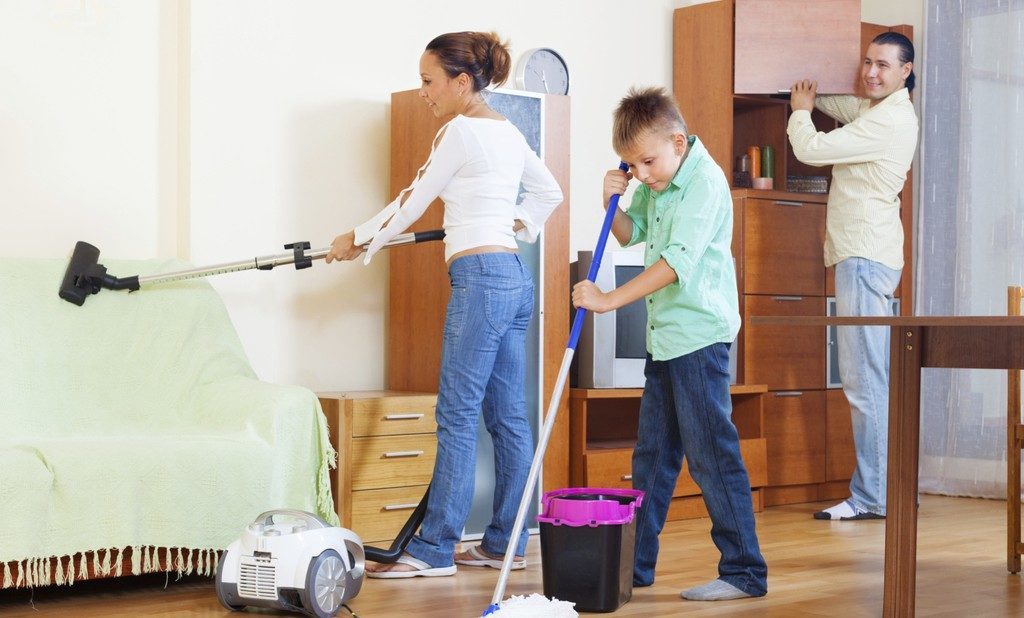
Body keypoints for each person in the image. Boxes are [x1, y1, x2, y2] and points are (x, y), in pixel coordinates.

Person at [324, 31, 563, 577]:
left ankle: (434, 550)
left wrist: (355, 238)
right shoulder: (508, 133)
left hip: (480, 279)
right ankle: (506, 542)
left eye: (429, 82)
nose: (423, 93)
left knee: (456, 414)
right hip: (512, 276)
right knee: (507, 419)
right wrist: (517, 223)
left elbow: (412, 201)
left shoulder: (459, 132)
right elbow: (549, 193)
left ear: (462, 82)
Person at [572, 87, 767, 602]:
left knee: (711, 455)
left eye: (648, 161)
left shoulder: (703, 182)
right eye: (633, 165)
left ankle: (745, 571)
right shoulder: (657, 180)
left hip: (699, 337)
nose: (642, 173)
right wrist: (609, 199)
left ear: (677, 141)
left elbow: (676, 262)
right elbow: (629, 232)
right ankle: (632, 567)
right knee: (652, 459)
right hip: (666, 339)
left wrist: (609, 301)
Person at [787, 32, 919, 522]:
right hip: (864, 255)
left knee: (865, 381)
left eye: (883, 65)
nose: (871, 72)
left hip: (863, 257)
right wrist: (808, 91)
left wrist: (801, 111)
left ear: (906, 71)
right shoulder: (878, 111)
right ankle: (883, 489)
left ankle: (874, 496)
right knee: (870, 378)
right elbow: (847, 106)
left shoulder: (889, 122)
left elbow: (812, 150)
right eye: (868, 62)